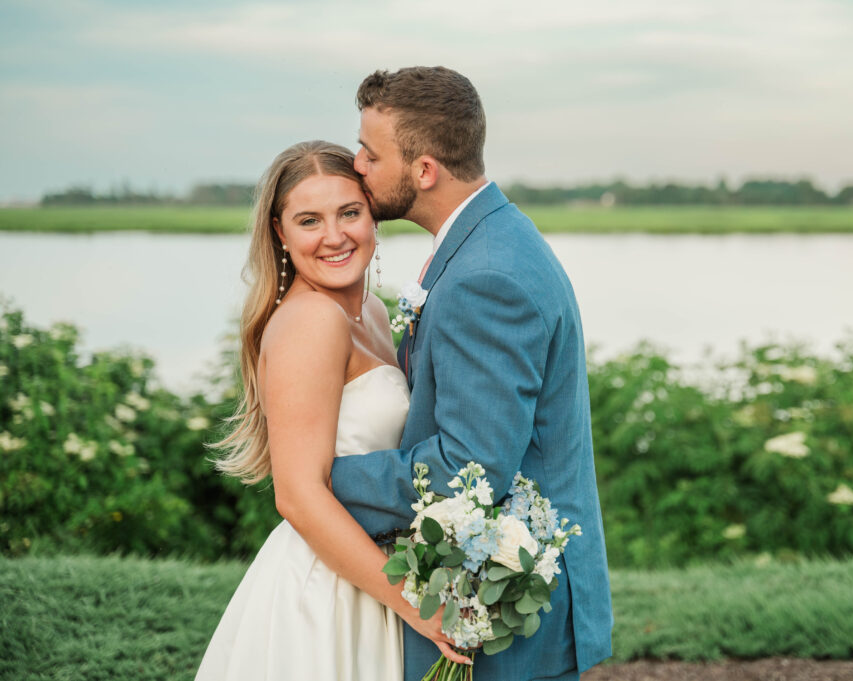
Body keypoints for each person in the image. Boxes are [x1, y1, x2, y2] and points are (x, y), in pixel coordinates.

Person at [330, 66, 614, 681]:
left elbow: (468, 467)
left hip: (507, 617)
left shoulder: (486, 276)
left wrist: (322, 480)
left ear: (424, 170)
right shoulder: (489, 239)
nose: (357, 164)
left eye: (370, 153)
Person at [194, 140, 469, 681]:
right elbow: (297, 494)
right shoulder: (311, 321)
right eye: (308, 220)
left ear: (372, 214)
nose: (335, 236)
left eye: (349, 212)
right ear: (280, 233)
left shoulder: (367, 308)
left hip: (375, 570)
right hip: (327, 590)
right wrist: (417, 605)